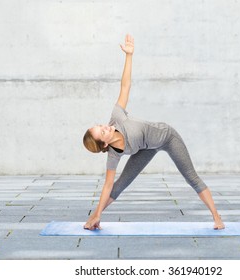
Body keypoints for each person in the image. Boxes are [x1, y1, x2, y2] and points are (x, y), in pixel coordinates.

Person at [83, 34, 225, 231]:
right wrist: (98, 213)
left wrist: (129, 56)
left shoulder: (117, 117)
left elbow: (125, 86)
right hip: (146, 148)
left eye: (101, 125)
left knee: (190, 176)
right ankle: (94, 217)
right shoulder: (114, 155)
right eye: (102, 132)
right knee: (119, 186)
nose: (105, 127)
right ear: (105, 145)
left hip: (166, 137)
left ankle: (217, 218)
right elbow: (107, 186)